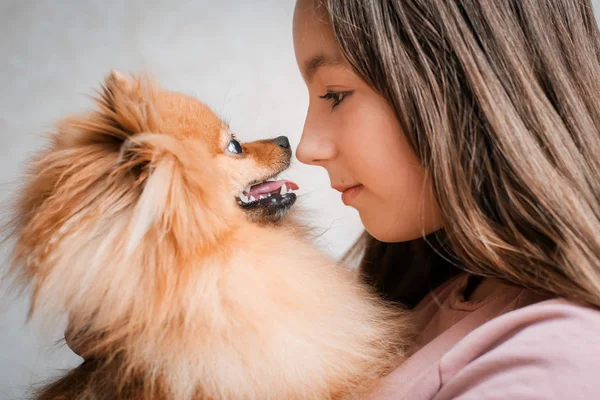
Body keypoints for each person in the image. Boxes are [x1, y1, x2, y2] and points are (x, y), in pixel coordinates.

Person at [293, 0, 600, 398]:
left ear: (473, 81)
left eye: (335, 95)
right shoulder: (439, 300)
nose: (306, 148)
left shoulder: (551, 366)